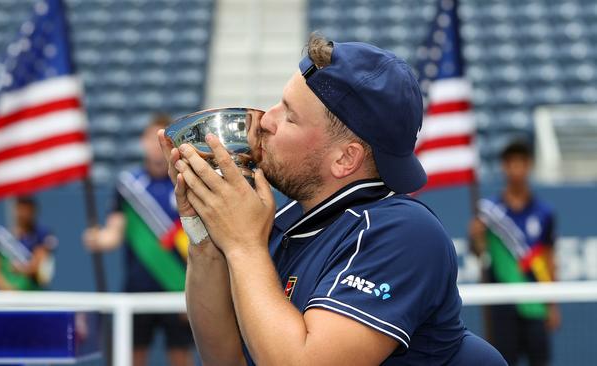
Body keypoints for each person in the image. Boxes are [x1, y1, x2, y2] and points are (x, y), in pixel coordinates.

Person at [159, 34, 506, 365]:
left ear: (345, 159)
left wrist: (243, 245)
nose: (267, 120)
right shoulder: (287, 222)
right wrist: (205, 238)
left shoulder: (403, 232)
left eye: (290, 116)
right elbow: (225, 359)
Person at [84, 115, 194, 366]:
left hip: (178, 289)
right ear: (143, 142)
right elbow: (114, 233)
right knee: (133, 357)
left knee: (180, 357)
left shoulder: (184, 181)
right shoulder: (128, 186)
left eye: (163, 140)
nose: (156, 146)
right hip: (137, 289)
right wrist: (99, 239)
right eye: (152, 139)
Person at [469, 141, 560, 366]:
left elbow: (549, 259)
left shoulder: (545, 212)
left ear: (529, 166)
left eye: (522, 163)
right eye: (511, 164)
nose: (517, 169)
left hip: (535, 304)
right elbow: (479, 254)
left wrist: (553, 304)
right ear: (504, 167)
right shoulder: (488, 212)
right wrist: (476, 236)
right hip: (502, 304)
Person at [0, 196, 57, 291]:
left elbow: (38, 266)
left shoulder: (43, 235)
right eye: (20, 208)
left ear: (34, 211)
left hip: (33, 294)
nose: (24, 213)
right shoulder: (1, 237)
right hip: (6, 298)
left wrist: (21, 269)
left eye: (27, 209)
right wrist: (8, 291)